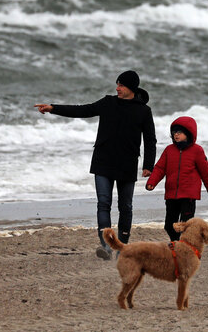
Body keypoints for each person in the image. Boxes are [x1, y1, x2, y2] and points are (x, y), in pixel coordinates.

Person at [35, 70, 156, 260]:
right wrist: (53, 108)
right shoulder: (108, 103)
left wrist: (149, 165)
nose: (117, 88)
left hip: (127, 163)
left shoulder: (143, 111)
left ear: (131, 88)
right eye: (117, 84)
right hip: (103, 161)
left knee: (125, 207)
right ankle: (106, 247)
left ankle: (122, 248)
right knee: (103, 204)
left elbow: (150, 140)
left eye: (121, 85)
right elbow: (83, 110)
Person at [145, 116, 208, 241]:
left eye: (179, 132)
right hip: (171, 195)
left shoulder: (197, 151)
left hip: (188, 196)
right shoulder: (169, 150)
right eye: (174, 132)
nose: (176, 135)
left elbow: (206, 174)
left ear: (188, 133)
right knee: (169, 225)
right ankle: (175, 243)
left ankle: (185, 247)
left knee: (186, 225)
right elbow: (160, 168)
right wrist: (151, 182)